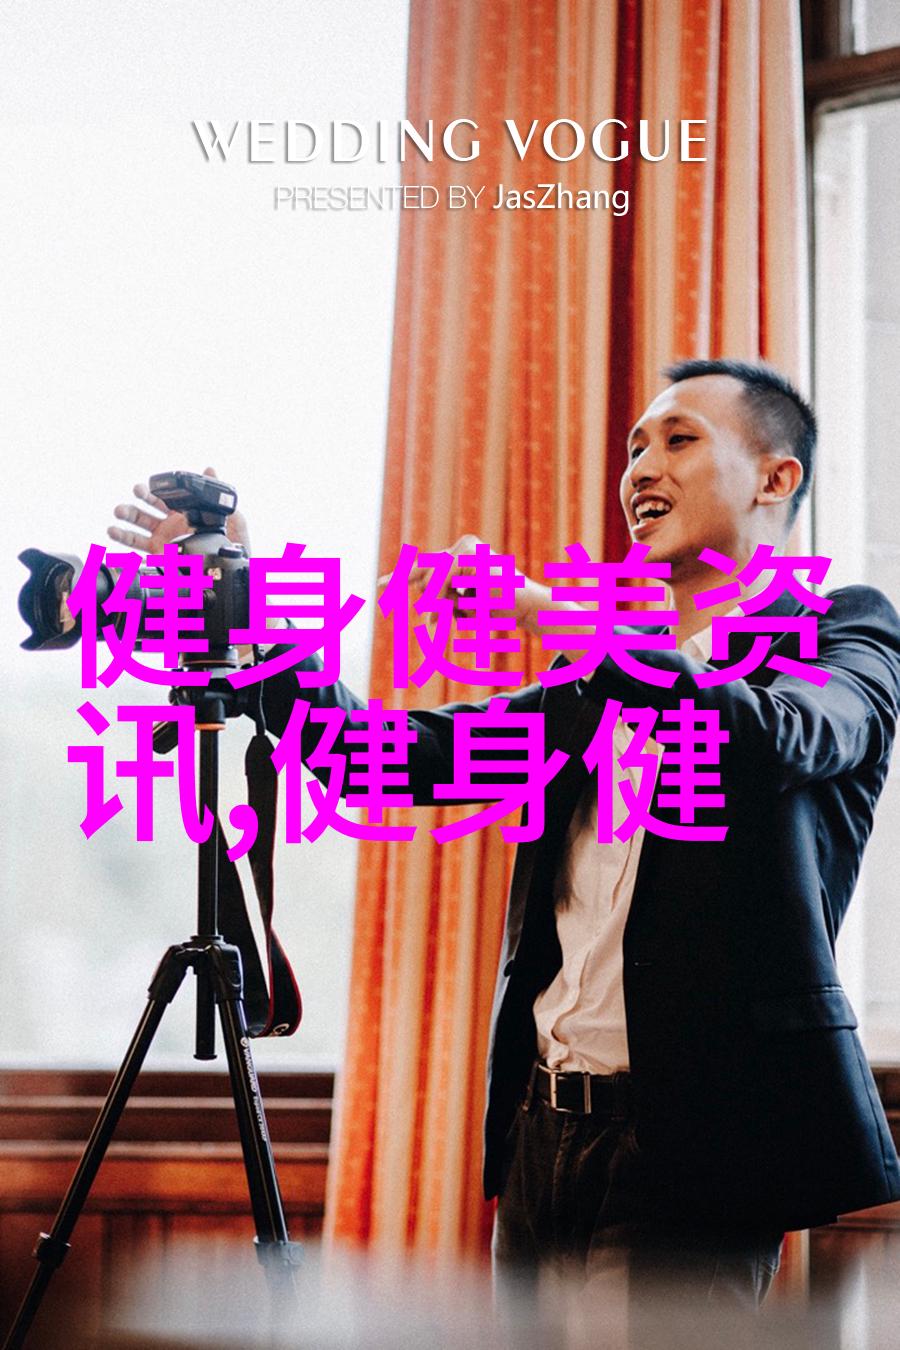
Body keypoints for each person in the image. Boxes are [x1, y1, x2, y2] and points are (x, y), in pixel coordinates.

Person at [109, 360, 900, 1309]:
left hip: (698, 1146)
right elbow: (378, 759)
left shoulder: (843, 634)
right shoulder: (593, 680)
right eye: (634, 448)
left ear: (777, 477)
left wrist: (545, 611)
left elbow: (775, 737)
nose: (641, 468)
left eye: (679, 439)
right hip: (541, 1131)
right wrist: (245, 606)